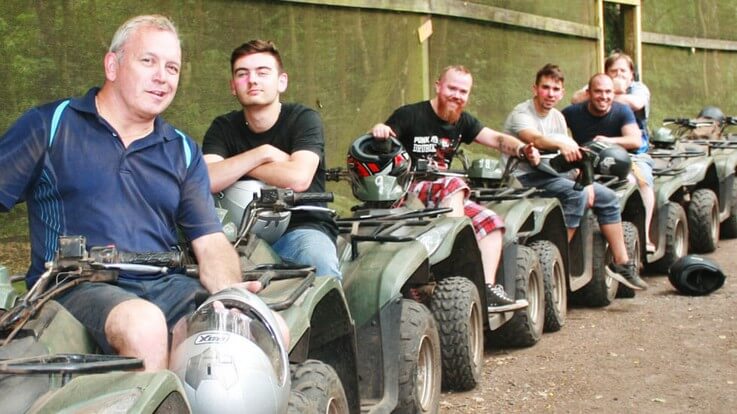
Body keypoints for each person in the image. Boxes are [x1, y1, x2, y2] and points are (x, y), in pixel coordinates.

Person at [0, 15, 258, 371]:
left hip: (165, 285)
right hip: (74, 286)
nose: (162, 77)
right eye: (148, 61)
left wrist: (230, 293)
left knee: (245, 328)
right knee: (145, 325)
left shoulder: (181, 149)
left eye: (172, 67)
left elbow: (211, 242)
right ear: (112, 64)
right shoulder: (51, 124)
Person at [371, 65, 541, 311]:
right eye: (452, 88)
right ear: (438, 85)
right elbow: (380, 140)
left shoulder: (463, 121)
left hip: (447, 195)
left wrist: (523, 149)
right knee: (455, 183)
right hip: (410, 192)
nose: (457, 95)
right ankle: (446, 270)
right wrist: (381, 130)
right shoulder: (410, 115)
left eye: (463, 91)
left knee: (491, 222)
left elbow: (495, 138)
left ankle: (487, 289)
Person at [202, 40, 340, 280]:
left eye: (262, 72)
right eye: (242, 74)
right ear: (233, 86)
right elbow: (206, 179)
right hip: (237, 236)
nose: (252, 80)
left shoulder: (303, 119)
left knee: (319, 262)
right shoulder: (222, 127)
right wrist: (263, 153)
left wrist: (237, 165)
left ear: (281, 81)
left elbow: (298, 178)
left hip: (302, 228)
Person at [504, 64, 647, 291]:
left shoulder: (559, 118)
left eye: (555, 89)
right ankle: (556, 263)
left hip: (554, 173)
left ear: (562, 93)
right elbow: (536, 139)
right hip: (525, 177)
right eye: (545, 88)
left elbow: (570, 158)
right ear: (535, 88)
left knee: (608, 197)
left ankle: (622, 263)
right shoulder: (521, 114)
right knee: (576, 194)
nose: (550, 94)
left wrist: (587, 181)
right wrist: (563, 143)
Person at [572, 53, 655, 252]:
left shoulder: (639, 88)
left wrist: (608, 94)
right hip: (597, 151)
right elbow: (575, 98)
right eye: (613, 71)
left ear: (632, 74)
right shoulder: (599, 85)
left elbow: (636, 103)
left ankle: (645, 234)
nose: (618, 75)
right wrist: (607, 91)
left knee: (642, 181)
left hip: (632, 151)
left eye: (622, 71)